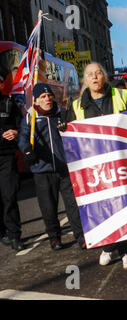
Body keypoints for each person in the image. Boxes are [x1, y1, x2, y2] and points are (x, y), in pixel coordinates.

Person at [65, 62, 127, 269]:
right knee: (101, 207)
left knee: (123, 205)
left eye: (98, 73)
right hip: (94, 167)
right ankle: (107, 245)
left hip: (119, 160)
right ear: (85, 81)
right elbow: (70, 135)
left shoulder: (120, 96)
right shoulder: (77, 106)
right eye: (90, 75)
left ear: (104, 77)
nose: (94, 77)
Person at [18, 83, 85, 251]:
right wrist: (27, 151)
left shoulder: (61, 113)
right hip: (42, 169)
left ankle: (81, 236)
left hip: (64, 167)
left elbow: (74, 132)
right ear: (36, 100)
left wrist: (66, 129)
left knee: (72, 204)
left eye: (49, 96)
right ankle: (54, 237)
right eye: (43, 97)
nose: (47, 99)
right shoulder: (30, 118)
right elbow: (23, 138)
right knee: (48, 206)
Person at [0, 74, 24, 252]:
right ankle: (3, 233)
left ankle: (15, 235)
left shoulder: (9, 104)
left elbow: (21, 125)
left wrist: (15, 132)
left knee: (9, 195)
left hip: (7, 157)